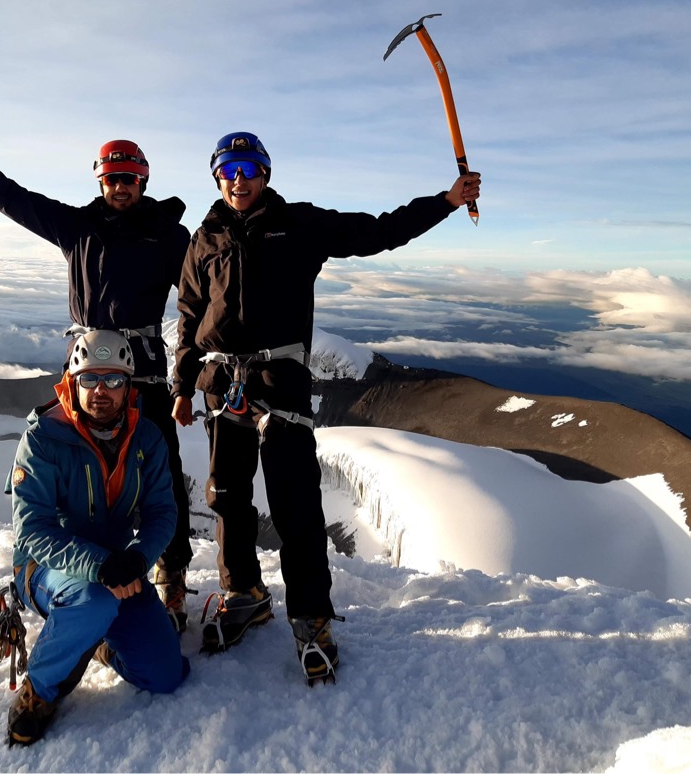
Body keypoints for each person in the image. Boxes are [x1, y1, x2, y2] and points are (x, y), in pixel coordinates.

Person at [171, 131, 481, 684]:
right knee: (227, 498)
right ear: (217, 178)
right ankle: (243, 593)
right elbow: (190, 315)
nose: (239, 179)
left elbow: (377, 232)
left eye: (249, 168)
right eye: (229, 171)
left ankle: (312, 619)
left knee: (295, 506)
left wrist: (445, 202)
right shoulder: (205, 238)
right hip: (222, 386)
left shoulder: (300, 224)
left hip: (279, 381)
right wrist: (181, 383)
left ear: (265, 172)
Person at [0, 117, 195, 631]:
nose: (120, 187)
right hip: (90, 374)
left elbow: (202, 293)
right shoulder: (78, 228)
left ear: (143, 182)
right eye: (113, 179)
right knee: (79, 471)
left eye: (130, 179)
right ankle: (83, 568)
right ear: (100, 181)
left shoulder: (168, 237)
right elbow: (9, 195)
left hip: (141, 377)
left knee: (162, 477)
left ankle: (171, 576)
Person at [4, 329, 188, 746]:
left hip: (118, 566)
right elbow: (32, 528)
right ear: (72, 380)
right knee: (96, 599)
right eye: (89, 379)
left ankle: (97, 642)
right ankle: (40, 690)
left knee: (165, 675)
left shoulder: (147, 438)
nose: (100, 391)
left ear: (128, 385)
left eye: (113, 380)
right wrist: (100, 565)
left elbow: (163, 511)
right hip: (45, 569)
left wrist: (140, 558)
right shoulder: (43, 439)